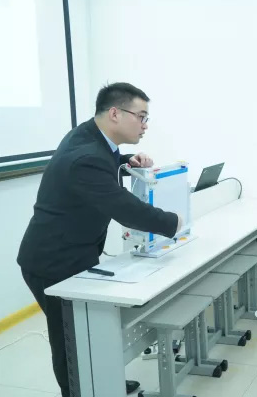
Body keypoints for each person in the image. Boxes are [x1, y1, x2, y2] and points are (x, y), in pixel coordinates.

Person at [17, 82, 182, 397]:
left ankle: (103, 383)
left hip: (76, 253)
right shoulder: (86, 155)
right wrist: (173, 222)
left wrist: (127, 161)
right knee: (70, 340)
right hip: (52, 261)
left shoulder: (91, 136)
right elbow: (124, 208)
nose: (145, 125)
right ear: (116, 114)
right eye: (141, 117)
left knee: (91, 330)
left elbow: (104, 162)